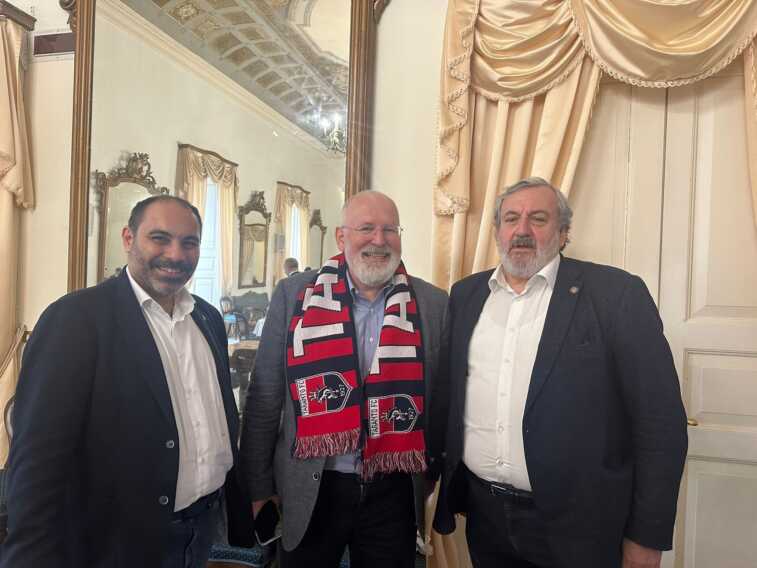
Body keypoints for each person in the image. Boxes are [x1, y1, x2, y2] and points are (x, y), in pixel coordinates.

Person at [433, 178, 688, 568]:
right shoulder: (467, 294)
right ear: (498, 230)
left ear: (564, 232)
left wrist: (646, 536)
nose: (521, 230)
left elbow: (660, 423)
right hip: (486, 518)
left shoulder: (616, 295)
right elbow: (450, 395)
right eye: (511, 218)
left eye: (538, 218)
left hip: (581, 526)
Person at [2, 196, 249, 568]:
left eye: (189, 243)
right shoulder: (76, 319)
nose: (176, 254)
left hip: (202, 528)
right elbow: (38, 458)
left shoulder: (207, 318)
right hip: (117, 539)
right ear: (129, 239)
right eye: (160, 238)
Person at [239, 191, 448, 568]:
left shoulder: (433, 303)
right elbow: (265, 396)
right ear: (341, 237)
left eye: (390, 230)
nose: (379, 240)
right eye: (366, 228)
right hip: (311, 487)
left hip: (394, 489)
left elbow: (439, 401)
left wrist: (432, 470)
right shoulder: (294, 295)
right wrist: (258, 486)